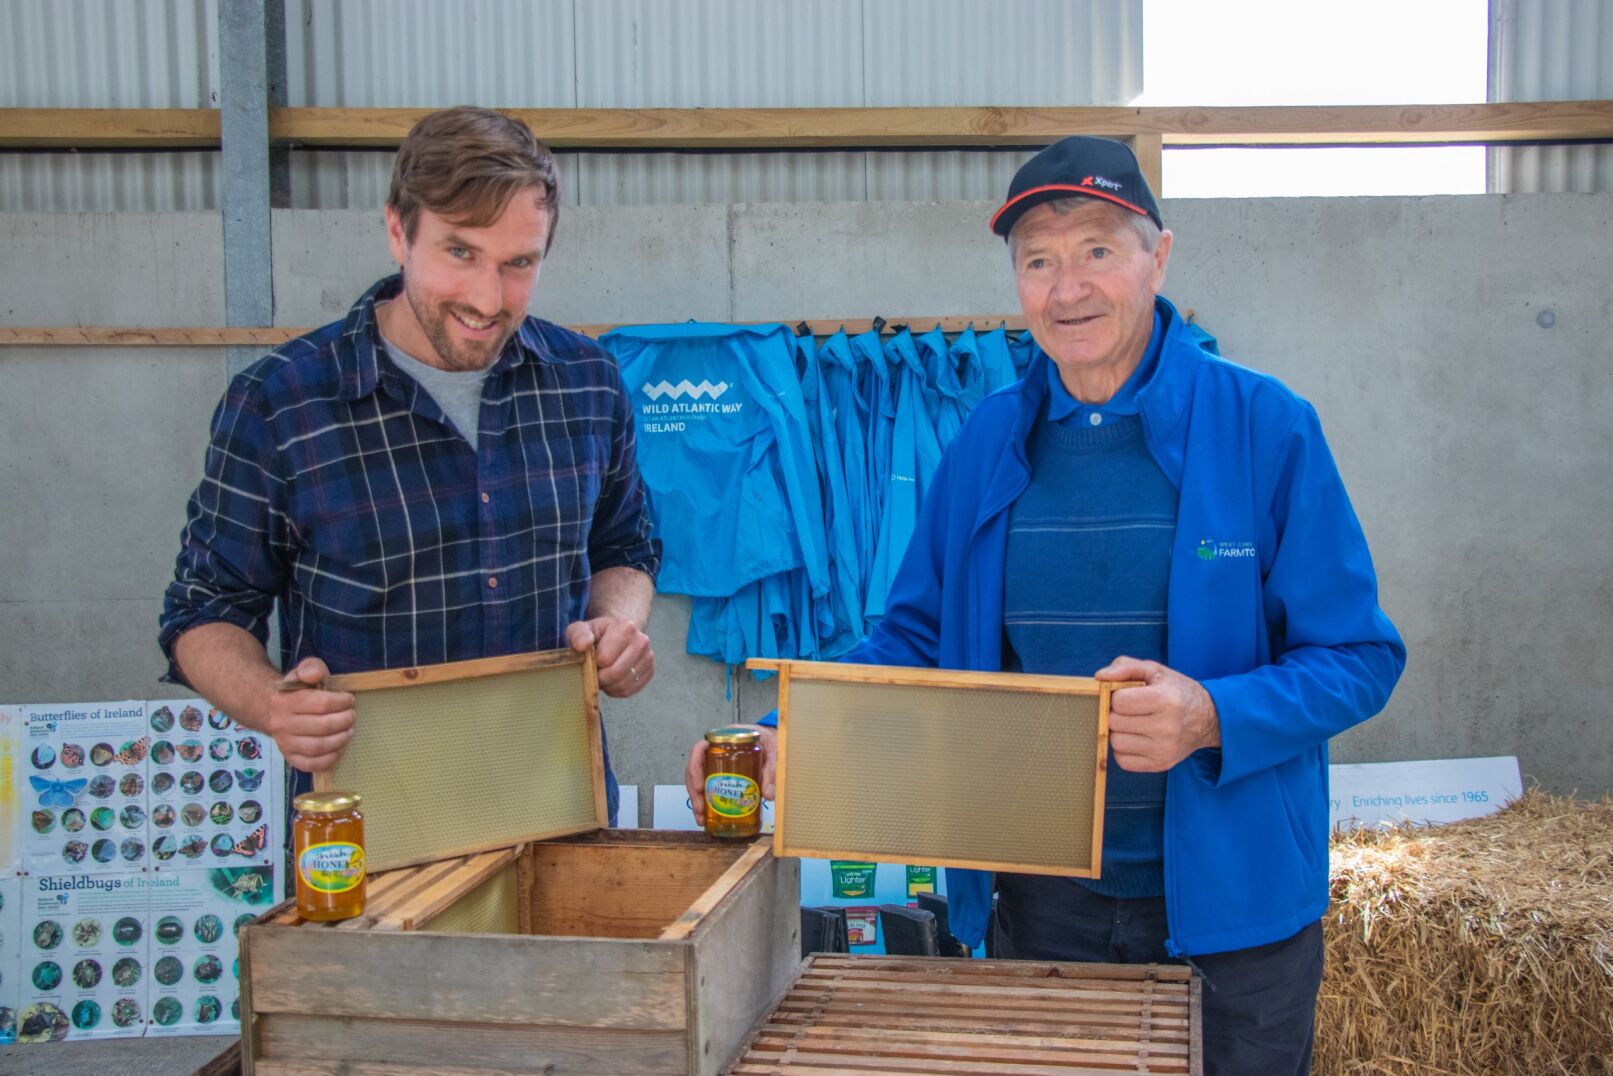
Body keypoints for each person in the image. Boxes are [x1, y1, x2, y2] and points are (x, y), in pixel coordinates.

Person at [685, 135, 1405, 1074]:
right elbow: (915, 637)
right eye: (1038, 260)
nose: (1068, 288)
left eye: (1097, 250)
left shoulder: (1265, 426)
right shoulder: (989, 439)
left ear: (1159, 256)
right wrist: (796, 731)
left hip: (1235, 907)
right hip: (1042, 897)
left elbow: (1357, 656)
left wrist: (1212, 714)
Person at [161, 106, 660, 824]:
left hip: (560, 812)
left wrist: (617, 628)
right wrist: (272, 704)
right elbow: (202, 612)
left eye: (518, 264)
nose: (488, 300)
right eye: (459, 252)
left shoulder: (586, 381)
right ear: (397, 229)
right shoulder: (280, 402)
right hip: (370, 832)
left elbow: (625, 547)